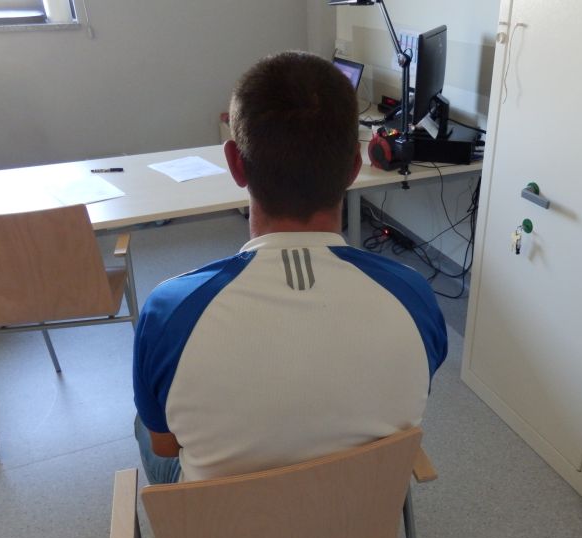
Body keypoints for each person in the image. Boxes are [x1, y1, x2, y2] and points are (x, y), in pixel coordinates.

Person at [133, 51, 447, 484]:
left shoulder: (168, 312)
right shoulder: (415, 296)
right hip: (359, 509)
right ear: (354, 169)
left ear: (235, 163)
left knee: (145, 419)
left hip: (227, 522)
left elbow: (166, 447)